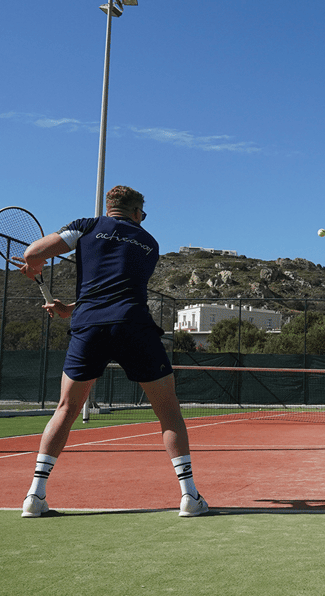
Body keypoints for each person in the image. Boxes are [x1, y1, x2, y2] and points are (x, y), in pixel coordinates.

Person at [13, 185, 208, 518]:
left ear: (109, 207)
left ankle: (35, 495)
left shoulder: (86, 226)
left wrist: (36, 270)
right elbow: (121, 288)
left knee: (66, 408)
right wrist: (73, 306)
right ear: (135, 212)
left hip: (89, 326)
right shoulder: (149, 243)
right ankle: (189, 497)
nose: (143, 219)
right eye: (143, 214)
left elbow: (33, 254)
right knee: (168, 411)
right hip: (134, 324)